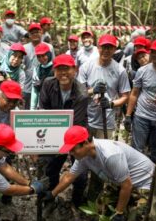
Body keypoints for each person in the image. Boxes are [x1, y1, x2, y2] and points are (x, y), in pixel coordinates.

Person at [42, 125, 155, 221]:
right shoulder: (83, 158)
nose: (70, 153)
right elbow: (69, 177)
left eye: (73, 149)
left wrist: (119, 212)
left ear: (85, 143)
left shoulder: (110, 155)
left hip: (144, 183)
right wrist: (52, 194)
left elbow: (127, 185)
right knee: (100, 209)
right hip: (120, 182)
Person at [39, 54, 89, 207]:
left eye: (66, 69)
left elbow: (76, 124)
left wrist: (64, 147)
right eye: (59, 69)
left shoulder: (81, 94)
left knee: (80, 173)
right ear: (54, 71)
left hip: (76, 134)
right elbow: (44, 111)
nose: (63, 73)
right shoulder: (48, 84)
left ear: (74, 70)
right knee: (50, 168)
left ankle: (77, 202)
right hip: (52, 132)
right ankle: (50, 198)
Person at [124, 39, 156, 163]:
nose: (154, 55)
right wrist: (128, 115)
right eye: (153, 52)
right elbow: (134, 93)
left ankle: (153, 178)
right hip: (142, 116)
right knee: (136, 150)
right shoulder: (142, 71)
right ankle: (135, 178)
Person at [78, 34, 131, 139]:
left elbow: (126, 96)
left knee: (103, 152)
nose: (106, 50)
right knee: (86, 153)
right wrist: (92, 91)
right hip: (86, 119)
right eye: (103, 47)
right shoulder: (86, 67)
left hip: (106, 122)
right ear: (98, 47)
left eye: (110, 47)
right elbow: (78, 92)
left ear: (114, 49)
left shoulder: (120, 70)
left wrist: (110, 104)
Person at [23, 23, 55, 109]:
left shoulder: (49, 47)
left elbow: (53, 64)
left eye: (37, 32)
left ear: (41, 33)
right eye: (32, 33)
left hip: (47, 86)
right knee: (29, 112)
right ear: (29, 35)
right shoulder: (25, 48)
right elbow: (21, 66)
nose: (35, 34)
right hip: (28, 85)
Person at [30, 42, 54, 110]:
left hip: (54, 104)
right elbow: (34, 90)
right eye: (38, 56)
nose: (41, 58)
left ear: (49, 54)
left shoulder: (55, 68)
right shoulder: (37, 69)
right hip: (41, 105)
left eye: (43, 55)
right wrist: (32, 108)